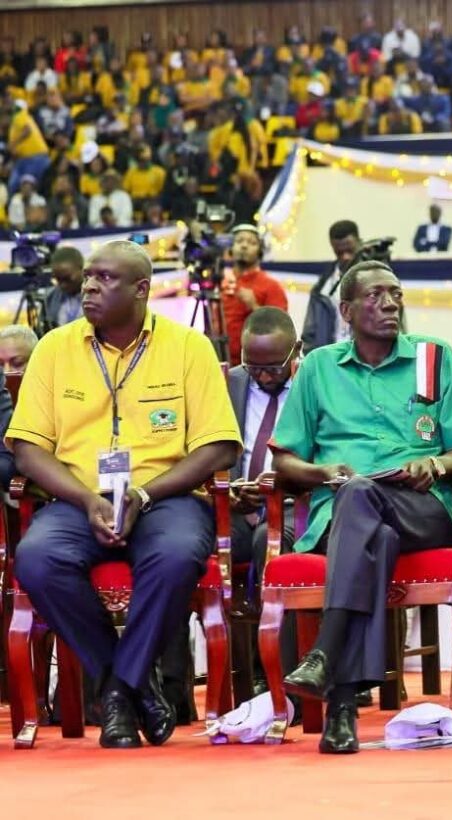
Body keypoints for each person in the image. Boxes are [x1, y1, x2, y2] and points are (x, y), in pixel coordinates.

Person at [8, 239, 241, 748]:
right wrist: (89, 500)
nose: (90, 285)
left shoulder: (188, 347)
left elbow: (219, 447)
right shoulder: (53, 348)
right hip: (78, 500)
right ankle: (133, 686)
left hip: (165, 497)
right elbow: (27, 450)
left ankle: (115, 692)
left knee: (178, 555)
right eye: (89, 276)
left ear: (142, 289)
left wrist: (143, 494)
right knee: (37, 558)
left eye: (106, 278)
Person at [270, 260, 452, 754]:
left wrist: (434, 461)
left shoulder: (433, 357)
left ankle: (326, 660)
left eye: (395, 295)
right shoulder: (319, 367)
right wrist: (326, 473)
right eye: (375, 296)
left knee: (365, 498)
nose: (390, 305)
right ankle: (342, 702)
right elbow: (284, 462)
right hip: (340, 513)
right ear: (345, 310)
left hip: (421, 509)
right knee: (369, 522)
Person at [228, 307, 298, 570]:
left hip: (294, 505)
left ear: (297, 349)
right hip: (238, 507)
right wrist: (233, 491)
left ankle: (277, 613)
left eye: (274, 368)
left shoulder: (313, 383)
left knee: (269, 541)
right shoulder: (229, 383)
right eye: (254, 368)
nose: (265, 376)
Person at [221, 224, 288, 366]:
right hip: (219, 361)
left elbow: (283, 331)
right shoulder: (219, 283)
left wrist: (254, 306)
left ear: (260, 252)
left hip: (257, 366)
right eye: (239, 241)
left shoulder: (271, 286)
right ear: (230, 249)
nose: (244, 246)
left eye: (251, 243)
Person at [302, 220, 360, 353]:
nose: (345, 256)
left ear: (359, 242)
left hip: (366, 362)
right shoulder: (323, 285)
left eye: (350, 250)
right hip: (330, 359)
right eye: (339, 252)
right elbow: (309, 333)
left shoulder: (376, 278)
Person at [43, 245, 85, 331]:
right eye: (58, 279)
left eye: (67, 278)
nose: (62, 285)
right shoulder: (50, 298)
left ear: (82, 269)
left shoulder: (100, 297)